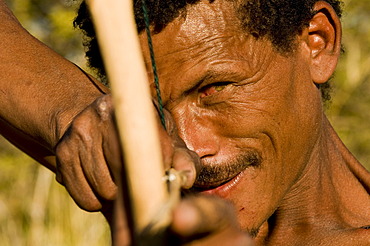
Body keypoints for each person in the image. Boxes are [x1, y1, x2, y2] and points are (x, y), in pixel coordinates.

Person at [0, 0, 369, 245]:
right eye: (152, 110)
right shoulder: (143, 168)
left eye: (213, 89)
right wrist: (76, 110)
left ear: (318, 42)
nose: (190, 148)